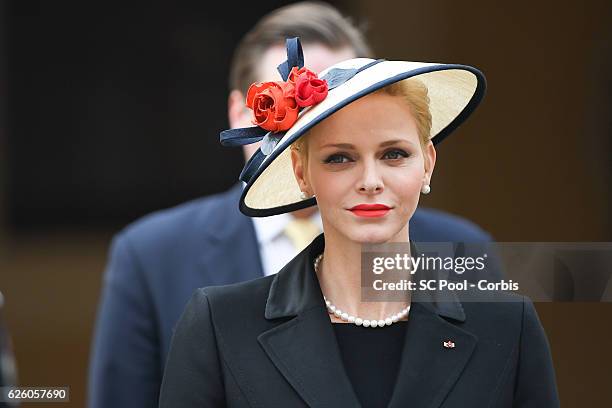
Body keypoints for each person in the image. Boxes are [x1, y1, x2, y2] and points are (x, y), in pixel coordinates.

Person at [88, 3, 501, 407]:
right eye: (297, 113)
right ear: (241, 113)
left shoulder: (460, 250)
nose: (319, 128)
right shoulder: (152, 254)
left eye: (346, 102)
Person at [158, 38, 559, 407]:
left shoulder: (507, 327)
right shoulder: (220, 324)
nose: (370, 181)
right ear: (302, 173)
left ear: (428, 164)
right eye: (340, 158)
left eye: (395, 154)